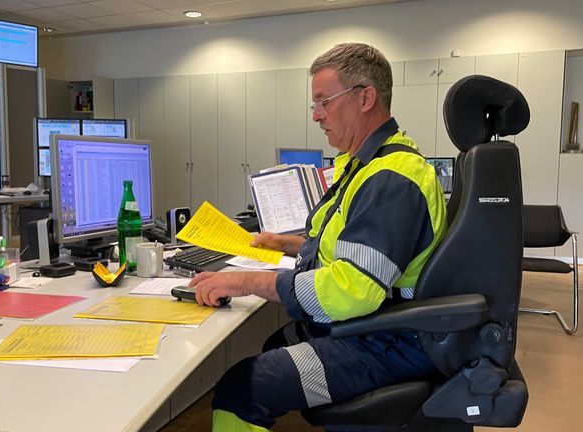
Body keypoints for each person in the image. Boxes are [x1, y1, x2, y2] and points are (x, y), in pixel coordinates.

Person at [189, 42, 448, 431]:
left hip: (384, 341)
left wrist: (246, 280)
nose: (316, 115)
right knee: (277, 343)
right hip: (374, 327)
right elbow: (348, 246)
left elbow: (352, 289)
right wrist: (284, 244)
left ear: (365, 98)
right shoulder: (369, 166)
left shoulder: (391, 178)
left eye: (323, 102)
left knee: (242, 388)